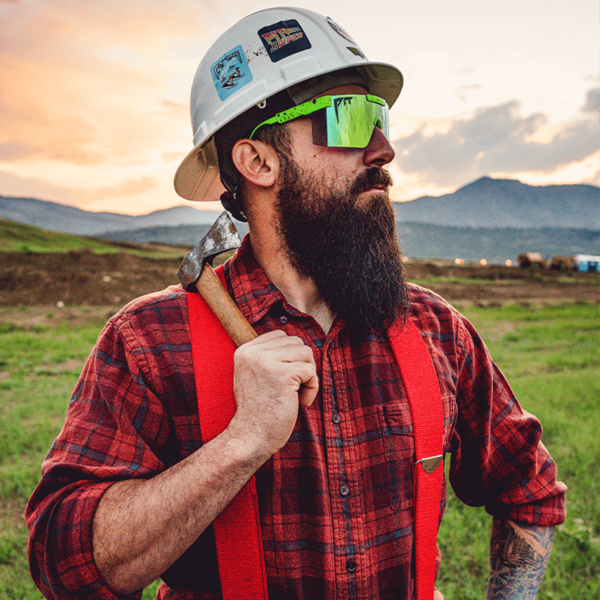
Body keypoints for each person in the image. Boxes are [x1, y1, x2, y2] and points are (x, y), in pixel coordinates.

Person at [26, 7, 566, 600]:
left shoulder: (435, 330)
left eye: (380, 118)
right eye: (349, 117)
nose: (383, 149)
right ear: (258, 161)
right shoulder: (149, 342)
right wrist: (241, 442)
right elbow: (62, 564)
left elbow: (530, 489)